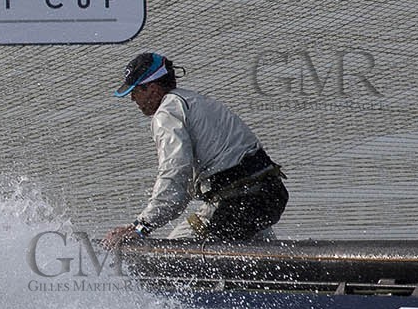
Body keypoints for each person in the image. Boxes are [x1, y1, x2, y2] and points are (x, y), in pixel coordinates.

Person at [103, 52, 287, 249]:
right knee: (259, 255)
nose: (132, 99)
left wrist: (141, 226)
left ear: (153, 89)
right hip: (269, 194)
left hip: (239, 201)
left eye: (135, 91)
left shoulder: (166, 113)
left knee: (174, 254)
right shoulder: (194, 101)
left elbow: (175, 172)